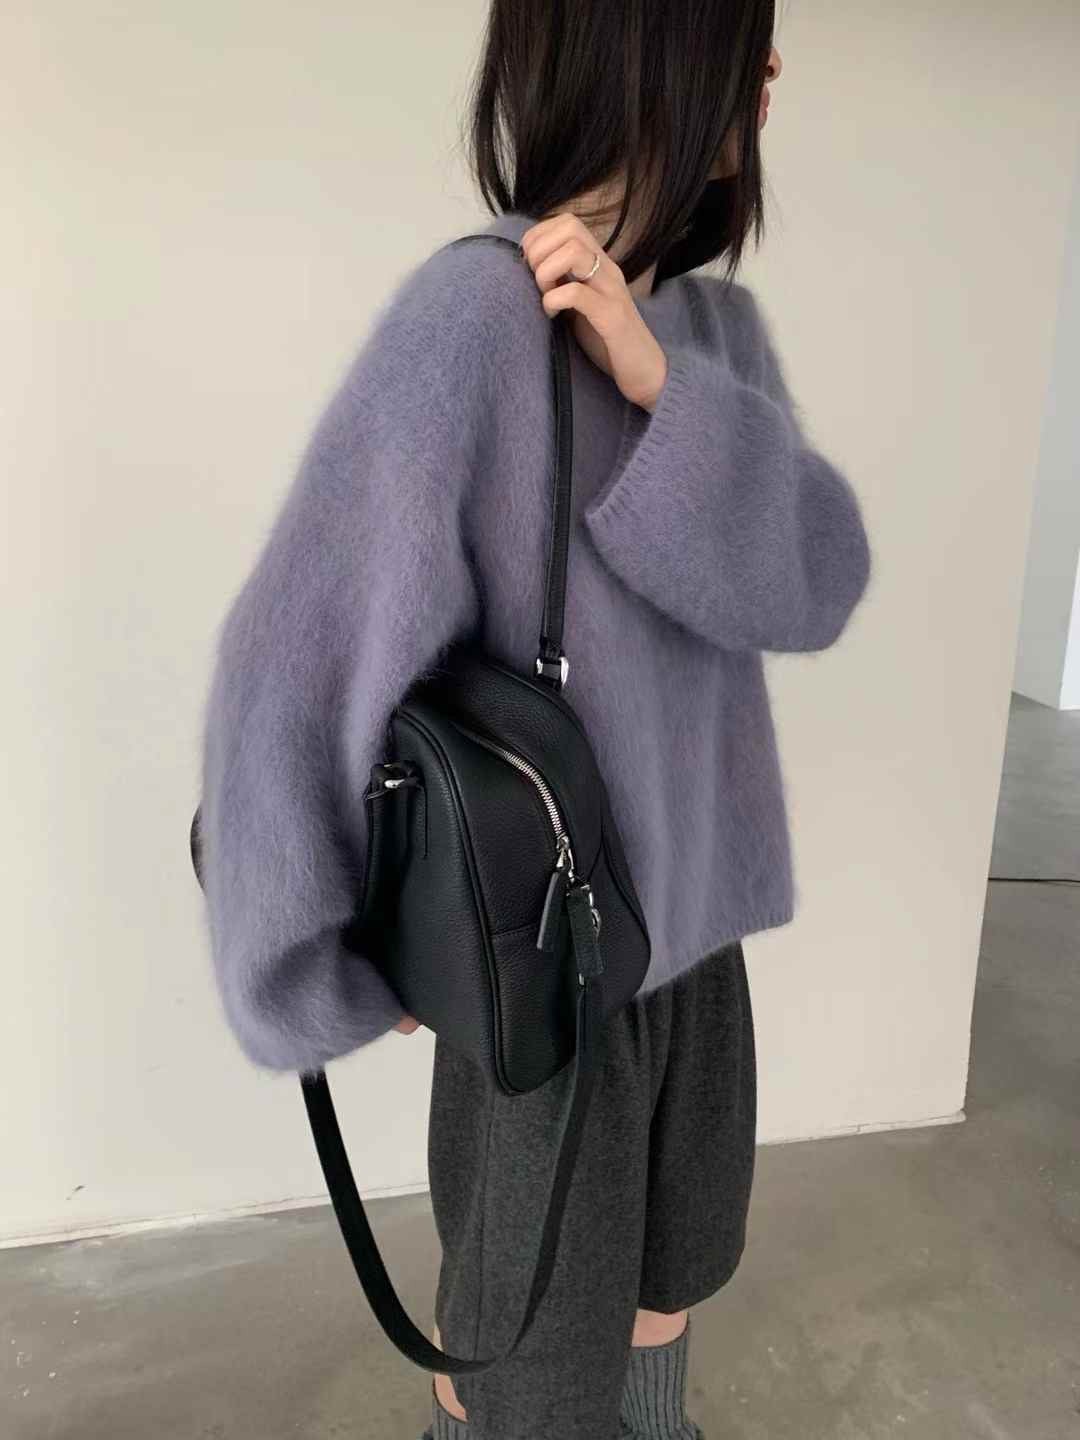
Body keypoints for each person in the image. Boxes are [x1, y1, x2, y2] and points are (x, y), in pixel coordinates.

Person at [194, 2, 872, 1437]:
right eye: (746, 40)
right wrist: (329, 959)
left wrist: (660, 388)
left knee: (671, 1275)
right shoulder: (476, 321)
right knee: (523, 1354)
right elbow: (295, 655)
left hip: (697, 942)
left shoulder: (714, 336)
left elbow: (817, 583)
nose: (769, 75)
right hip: (547, 962)